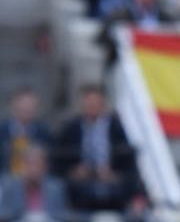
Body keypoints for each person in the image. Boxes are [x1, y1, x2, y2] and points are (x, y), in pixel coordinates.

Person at [54, 82, 137, 212]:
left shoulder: (118, 128)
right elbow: (58, 161)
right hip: (80, 185)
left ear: (103, 104)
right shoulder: (70, 129)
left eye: (95, 103)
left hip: (111, 184)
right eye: (89, 103)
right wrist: (74, 172)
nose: (92, 106)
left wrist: (114, 175)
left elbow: (129, 161)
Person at [0, 141, 69, 217]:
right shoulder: (9, 187)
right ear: (22, 166)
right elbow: (1, 216)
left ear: (45, 167)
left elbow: (63, 216)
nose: (33, 169)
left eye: (37, 165)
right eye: (29, 164)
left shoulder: (56, 189)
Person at [0, 87, 51, 180]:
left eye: (30, 106)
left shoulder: (44, 133)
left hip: (36, 182)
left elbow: (50, 162)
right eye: (23, 104)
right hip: (5, 180)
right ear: (13, 106)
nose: (27, 108)